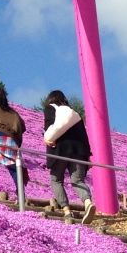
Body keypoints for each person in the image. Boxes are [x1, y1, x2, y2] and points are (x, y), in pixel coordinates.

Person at [43, 90, 95, 223]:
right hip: (79, 150)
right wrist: (87, 155)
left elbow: (49, 128)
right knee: (77, 180)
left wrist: (46, 139)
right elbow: (84, 134)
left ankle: (67, 211)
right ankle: (88, 203)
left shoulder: (50, 108)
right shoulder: (73, 113)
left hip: (59, 150)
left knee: (56, 180)